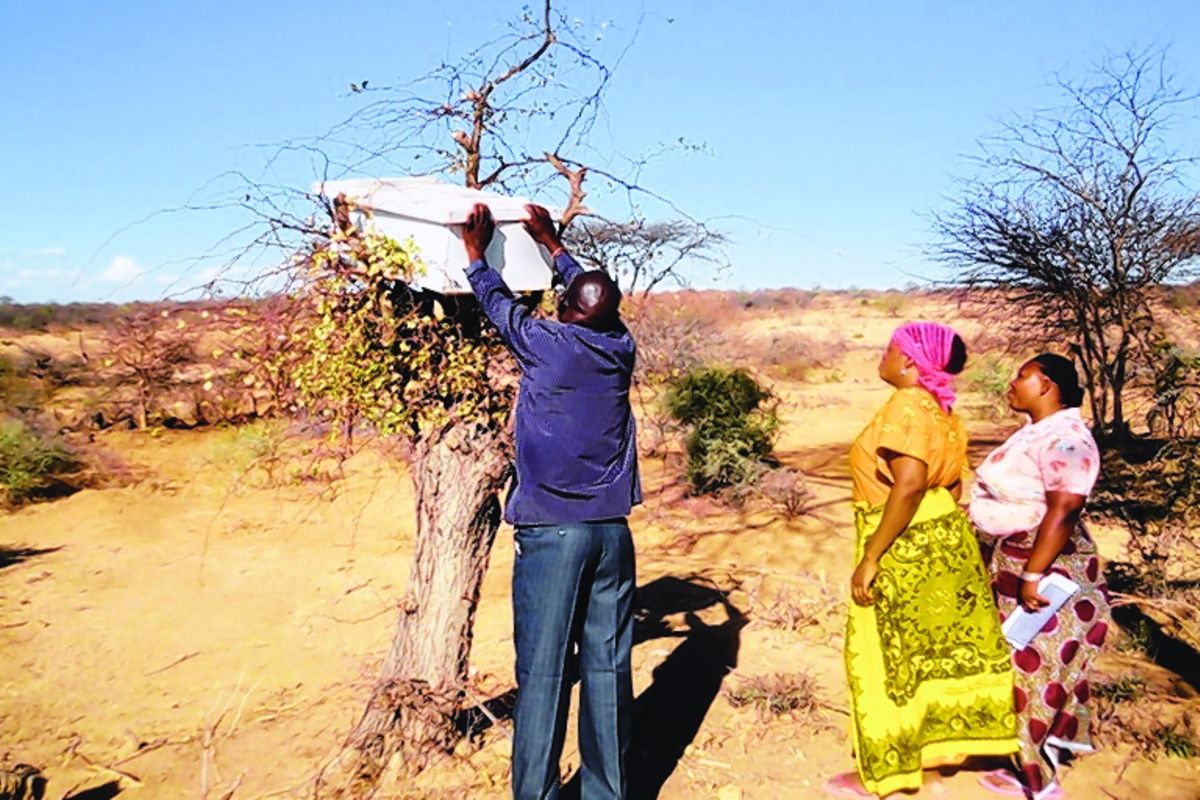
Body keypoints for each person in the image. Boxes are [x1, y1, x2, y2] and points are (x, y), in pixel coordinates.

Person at [460, 202, 640, 800]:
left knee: (543, 673)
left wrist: (475, 254)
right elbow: (592, 298)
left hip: (553, 535)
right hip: (612, 534)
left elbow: (498, 305)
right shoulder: (619, 347)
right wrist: (554, 245)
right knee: (608, 668)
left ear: (565, 310)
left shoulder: (550, 344)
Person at [827, 321, 1018, 799]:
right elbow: (950, 488)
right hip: (943, 536)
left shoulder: (907, 405)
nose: (883, 356)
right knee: (932, 656)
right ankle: (940, 759)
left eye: (890, 349)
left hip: (901, 539)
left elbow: (909, 484)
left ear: (910, 362)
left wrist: (873, 555)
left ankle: (891, 771)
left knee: (885, 658)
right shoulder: (942, 410)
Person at [970, 354, 1109, 800]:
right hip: (1014, 565)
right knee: (1022, 663)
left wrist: (1033, 573)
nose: (1012, 383)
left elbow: (1064, 508)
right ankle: (1029, 761)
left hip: (1048, 571)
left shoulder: (1067, 439)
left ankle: (1040, 781)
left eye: (1023, 376)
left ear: (1047, 385)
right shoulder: (1039, 432)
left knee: (1032, 667)